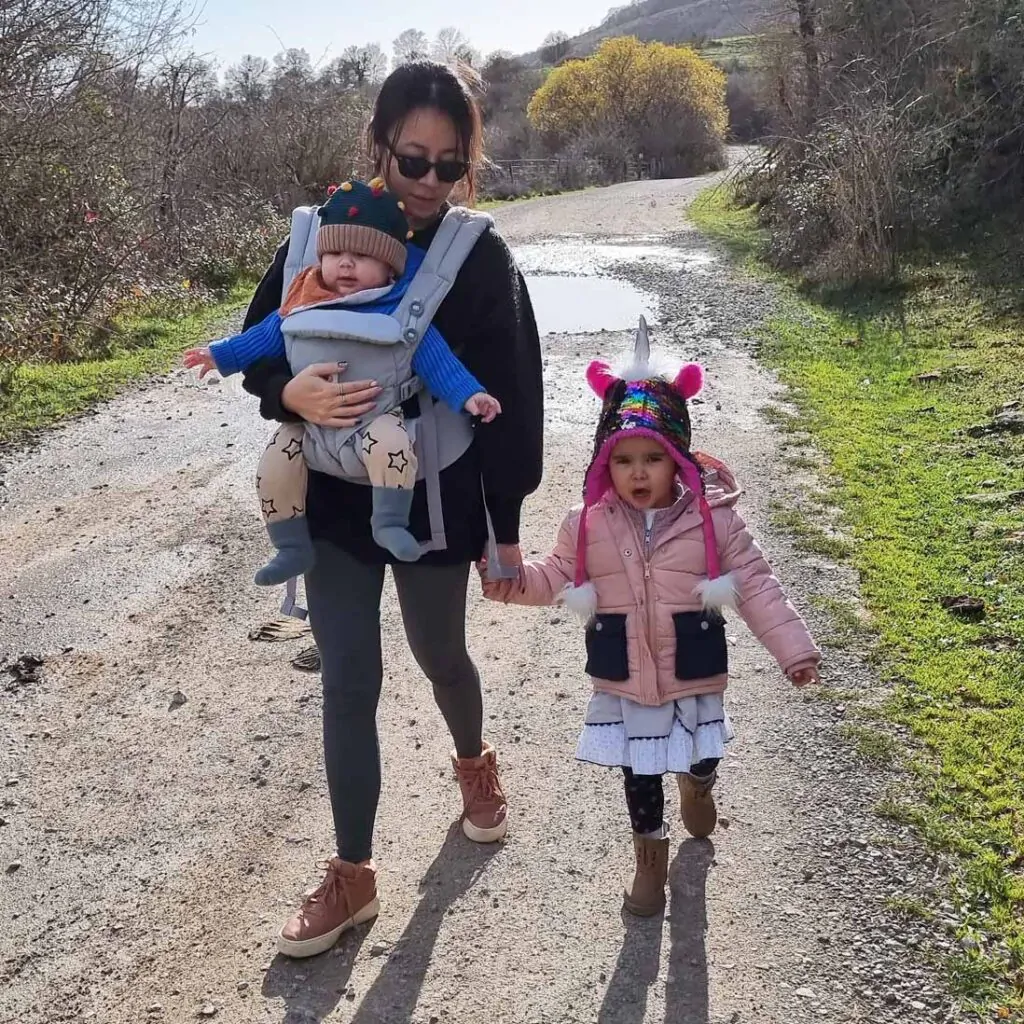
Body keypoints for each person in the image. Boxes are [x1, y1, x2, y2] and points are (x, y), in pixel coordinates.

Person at [240, 61, 544, 959]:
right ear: (380, 145)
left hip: (437, 498)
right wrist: (288, 394)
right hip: (334, 501)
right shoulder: (320, 238)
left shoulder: (477, 256)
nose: (428, 185)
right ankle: (354, 874)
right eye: (414, 160)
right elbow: (262, 344)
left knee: (441, 653)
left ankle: (474, 762)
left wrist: (506, 527)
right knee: (348, 680)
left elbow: (512, 395)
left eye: (450, 167)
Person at [480, 325, 820, 917]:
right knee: (638, 770)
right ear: (603, 465)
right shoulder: (585, 525)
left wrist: (793, 649)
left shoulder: (714, 523)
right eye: (624, 461)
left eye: (654, 458)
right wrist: (511, 582)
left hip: (692, 670)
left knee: (700, 753)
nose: (638, 473)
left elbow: (759, 585)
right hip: (627, 676)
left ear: (678, 458)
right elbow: (554, 576)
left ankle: (700, 782)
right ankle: (649, 857)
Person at [183, 178, 501, 578]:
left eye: (361, 255)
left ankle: (389, 523)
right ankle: (290, 545)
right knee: (274, 463)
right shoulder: (301, 301)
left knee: (394, 447)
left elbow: (437, 363)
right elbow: (260, 339)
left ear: (391, 265)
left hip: (375, 420)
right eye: (333, 252)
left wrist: (470, 395)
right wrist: (219, 354)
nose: (345, 264)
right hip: (308, 427)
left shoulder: (400, 310)